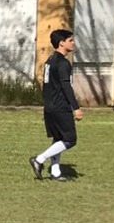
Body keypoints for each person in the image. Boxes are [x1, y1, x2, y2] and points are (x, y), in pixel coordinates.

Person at [30, 29, 82, 182]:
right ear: (61, 43)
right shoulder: (63, 63)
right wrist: (76, 108)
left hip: (50, 106)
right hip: (60, 107)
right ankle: (39, 159)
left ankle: (55, 172)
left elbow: (46, 84)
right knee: (70, 140)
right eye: (70, 40)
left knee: (59, 138)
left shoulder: (50, 60)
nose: (73, 43)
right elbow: (66, 86)